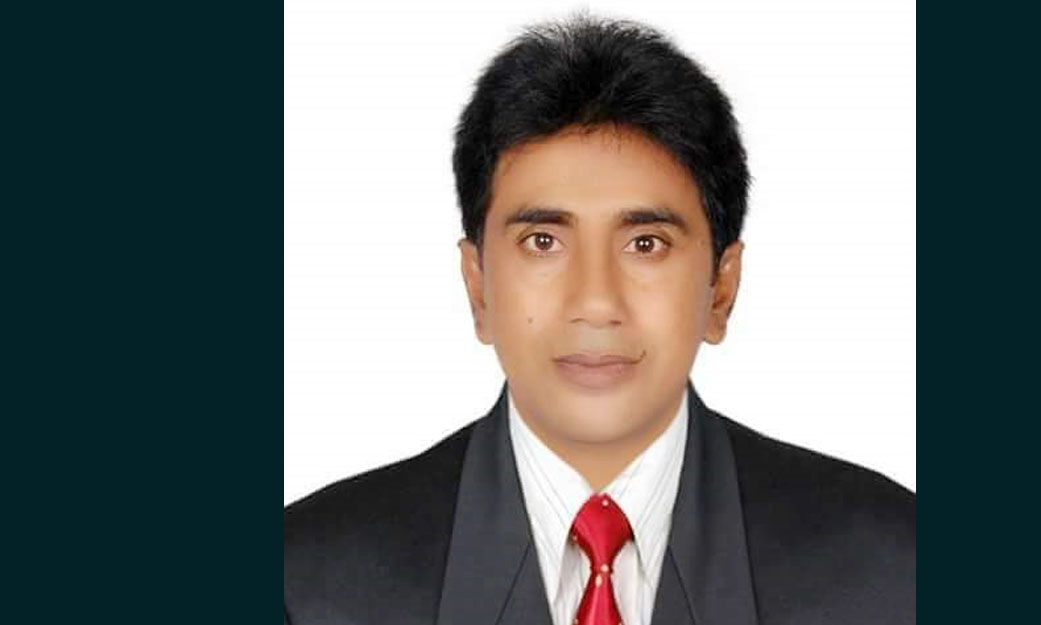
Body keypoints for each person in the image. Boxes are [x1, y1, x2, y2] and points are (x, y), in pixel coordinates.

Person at [285, 14, 914, 625]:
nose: (595, 302)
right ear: (478, 286)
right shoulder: (308, 582)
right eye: (543, 242)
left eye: (645, 244)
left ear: (721, 288)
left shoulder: (894, 570)